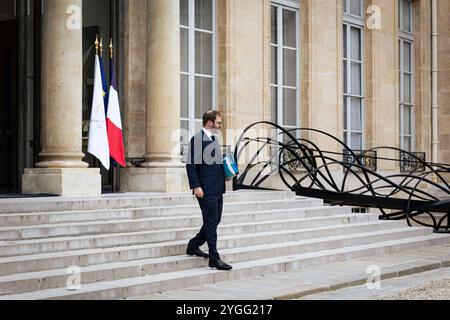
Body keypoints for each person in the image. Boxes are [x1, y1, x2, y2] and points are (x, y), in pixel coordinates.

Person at [185, 110, 233, 271]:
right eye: (219, 123)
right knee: (212, 221)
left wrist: (226, 174)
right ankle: (214, 257)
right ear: (210, 122)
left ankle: (193, 245)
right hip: (205, 189)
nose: (221, 126)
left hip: (217, 187)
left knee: (215, 220)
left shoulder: (213, 138)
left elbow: (215, 163)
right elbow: (191, 165)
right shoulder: (197, 139)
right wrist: (196, 186)